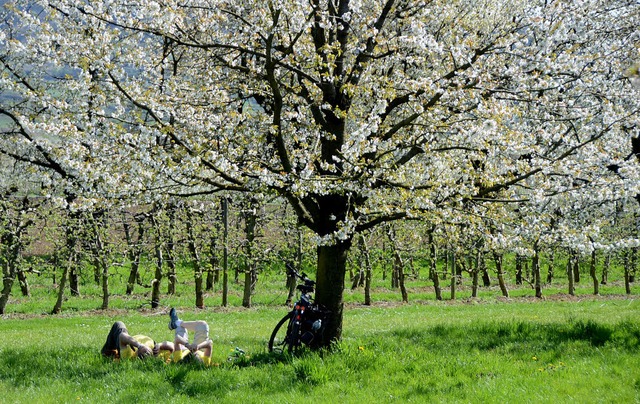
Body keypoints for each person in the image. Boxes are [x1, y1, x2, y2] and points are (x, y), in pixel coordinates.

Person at [101, 321, 174, 361]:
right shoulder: (156, 353)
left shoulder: (128, 355)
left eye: (144, 354)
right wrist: (160, 345)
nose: (147, 352)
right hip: (137, 342)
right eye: (147, 352)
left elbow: (122, 336)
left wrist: (139, 345)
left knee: (119, 325)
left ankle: (108, 352)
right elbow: (172, 345)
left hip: (118, 345)